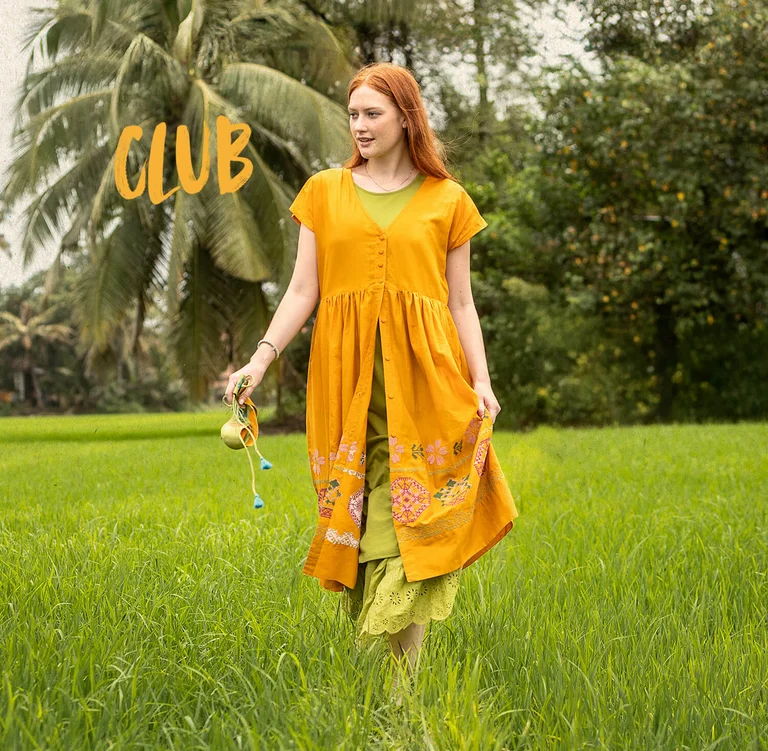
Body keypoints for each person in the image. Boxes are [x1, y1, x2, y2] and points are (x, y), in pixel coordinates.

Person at [225, 61, 518, 703]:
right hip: (345, 380)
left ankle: (400, 691)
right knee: (360, 521)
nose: (358, 125)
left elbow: (461, 302)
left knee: (411, 522)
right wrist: (261, 358)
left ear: (406, 117)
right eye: (352, 114)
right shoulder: (323, 192)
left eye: (371, 114)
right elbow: (304, 289)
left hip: (428, 381)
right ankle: (397, 683)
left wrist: (483, 382)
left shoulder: (449, 200)